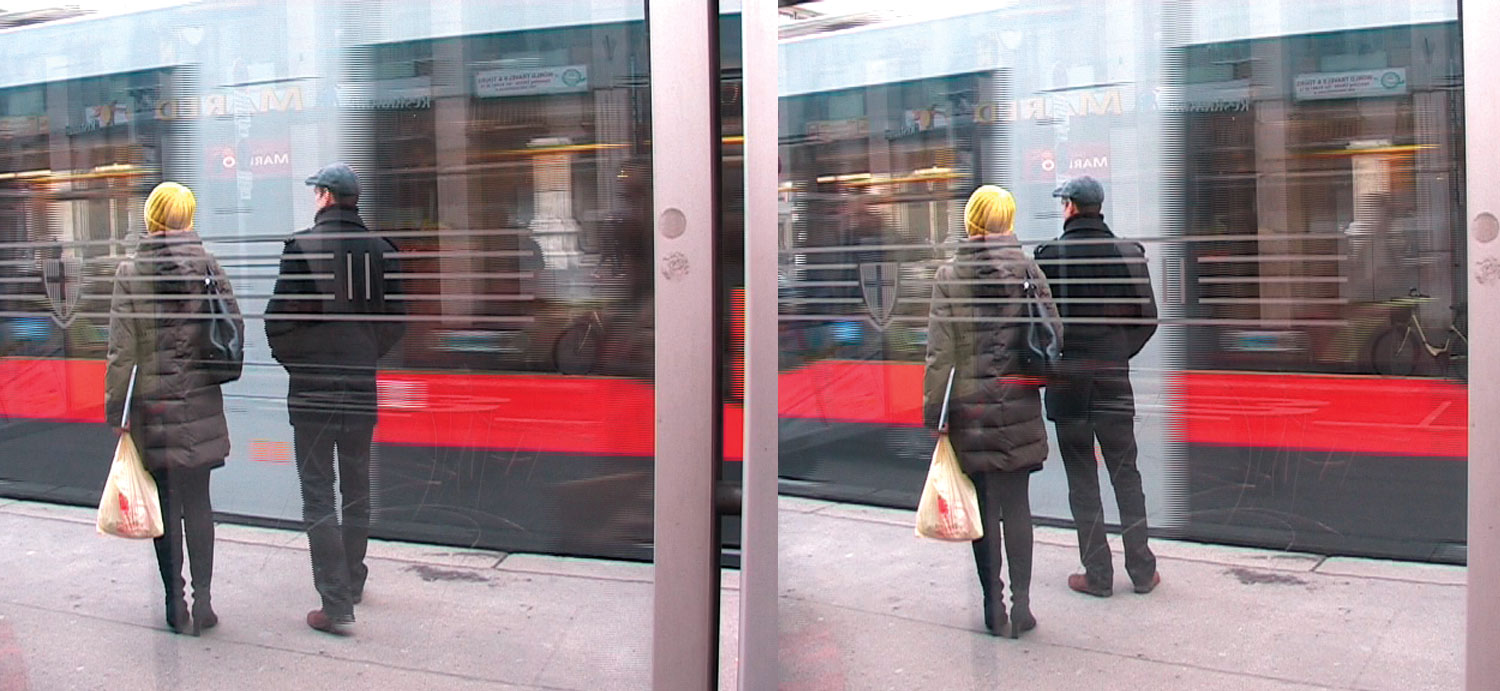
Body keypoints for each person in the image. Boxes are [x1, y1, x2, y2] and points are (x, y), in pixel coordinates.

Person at [266, 163, 403, 634]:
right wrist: (363, 356)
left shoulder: (300, 248)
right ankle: (354, 580)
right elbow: (394, 326)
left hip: (312, 394)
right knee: (358, 488)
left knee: (319, 493)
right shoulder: (383, 252)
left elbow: (278, 324)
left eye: (316, 192)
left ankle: (335, 600)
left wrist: (303, 368)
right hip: (360, 390)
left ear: (325, 197)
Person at [923, 185, 1061, 638]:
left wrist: (935, 416)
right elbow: (1052, 330)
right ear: (1007, 221)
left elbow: (939, 354)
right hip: (1017, 403)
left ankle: (993, 608)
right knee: (1018, 507)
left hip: (971, 410)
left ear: (972, 220)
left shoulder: (949, 274)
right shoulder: (1026, 269)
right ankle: (1022, 607)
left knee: (984, 509)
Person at [105, 181, 243, 635]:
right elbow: (232, 324)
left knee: (166, 506)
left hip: (155, 408)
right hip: (200, 401)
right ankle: (204, 603)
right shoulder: (207, 264)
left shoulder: (130, 271)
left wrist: (116, 413)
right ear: (187, 216)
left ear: (152, 216)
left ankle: (174, 604)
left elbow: (121, 352)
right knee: (199, 503)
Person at [1035, 176, 1161, 598]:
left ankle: (1098, 574)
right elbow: (1148, 319)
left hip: (1068, 383)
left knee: (1082, 478)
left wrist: (1058, 359)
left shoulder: (1048, 257)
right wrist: (1117, 352)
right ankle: (1142, 570)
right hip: (1112, 379)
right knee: (1126, 472)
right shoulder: (1128, 253)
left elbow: (1038, 326)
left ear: (1070, 206)